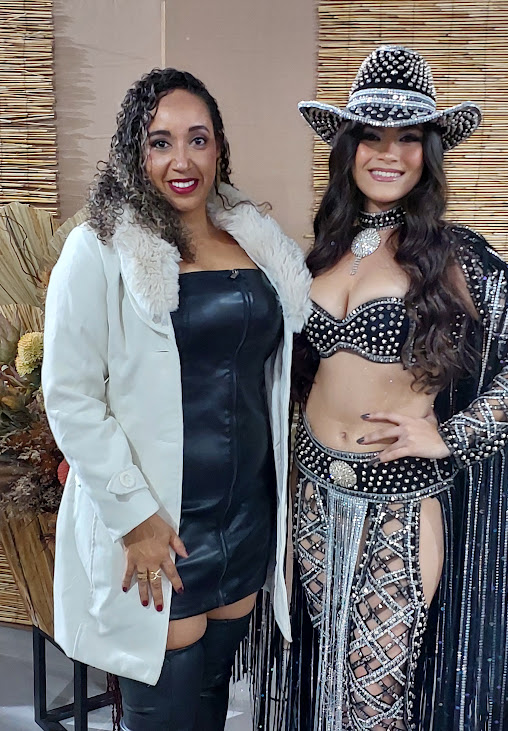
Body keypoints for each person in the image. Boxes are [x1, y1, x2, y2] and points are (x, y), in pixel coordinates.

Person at [42, 68, 310, 731]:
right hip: (160, 523)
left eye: (198, 139)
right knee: (163, 710)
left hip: (245, 516)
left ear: (219, 148)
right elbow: (71, 396)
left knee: (212, 701)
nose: (182, 160)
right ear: (134, 151)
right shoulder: (99, 248)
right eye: (160, 142)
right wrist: (136, 519)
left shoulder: (256, 242)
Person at [288, 45, 508, 730]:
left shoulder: (455, 254)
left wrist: (454, 436)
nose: (388, 154)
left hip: (397, 508)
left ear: (428, 153)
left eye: (408, 138)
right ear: (347, 147)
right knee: (328, 680)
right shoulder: (323, 247)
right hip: (313, 493)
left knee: (376, 701)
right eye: (371, 136)